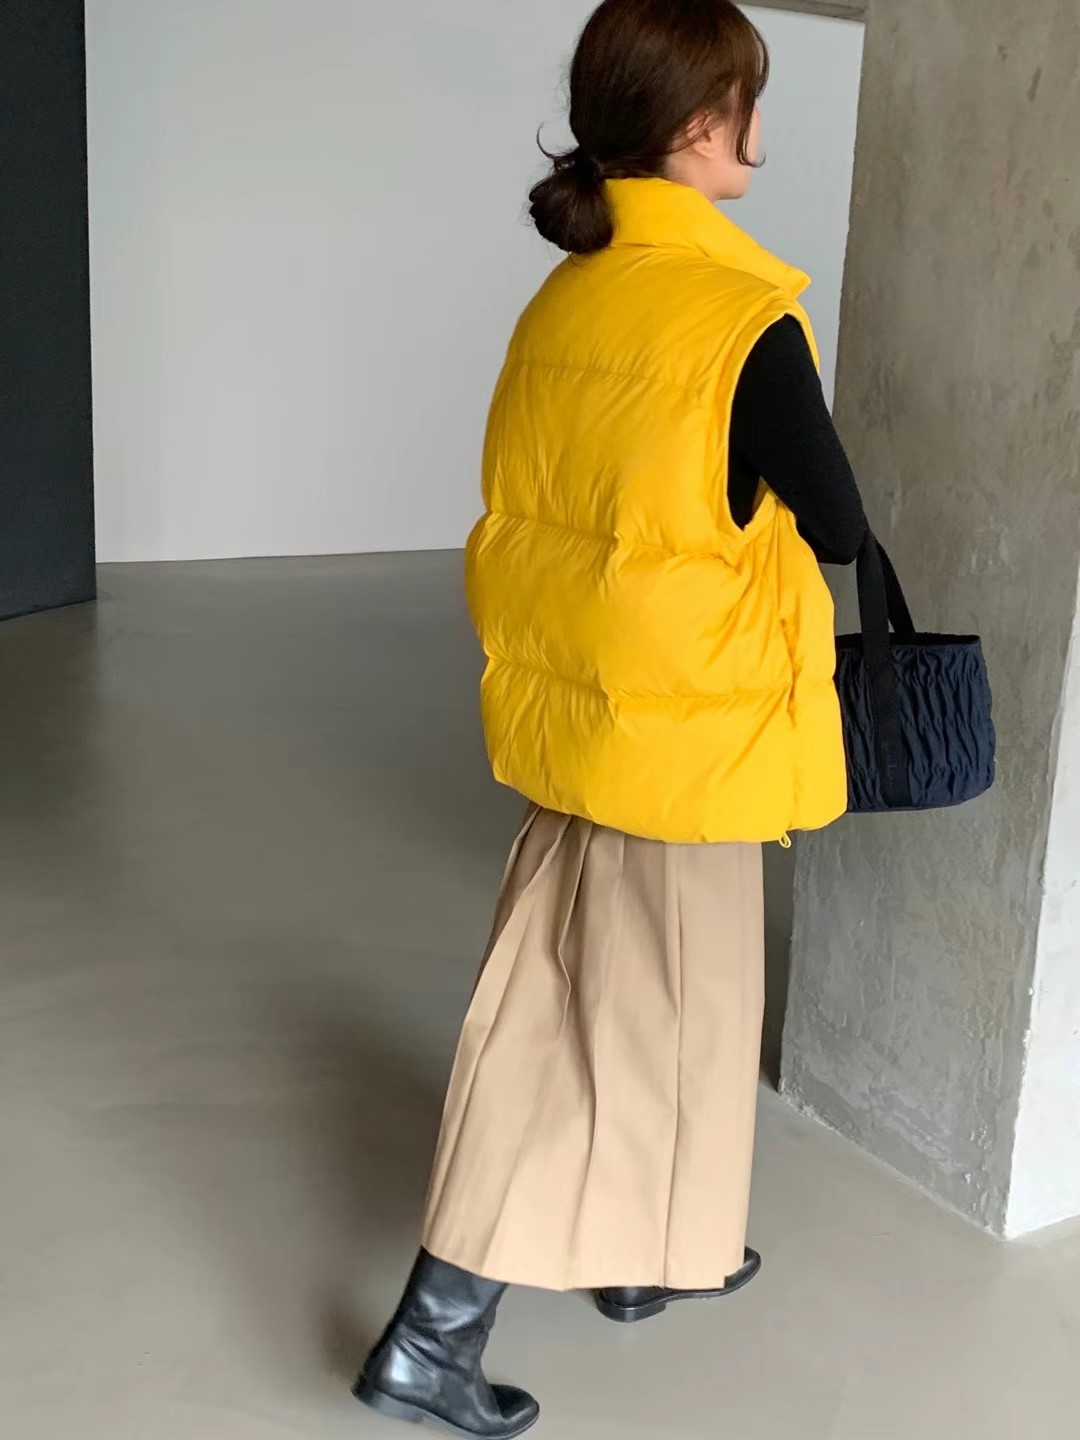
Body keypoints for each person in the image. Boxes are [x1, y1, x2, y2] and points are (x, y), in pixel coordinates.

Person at [353, 1, 867, 1434]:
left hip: (583, 719)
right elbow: (836, 523)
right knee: (578, 1028)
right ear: (702, 124)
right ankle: (432, 1336)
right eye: (749, 101)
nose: (760, 129)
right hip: (686, 739)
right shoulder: (740, 319)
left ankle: (645, 1251)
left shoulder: (565, 301)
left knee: (643, 1010)